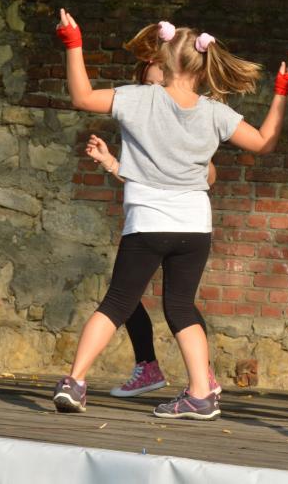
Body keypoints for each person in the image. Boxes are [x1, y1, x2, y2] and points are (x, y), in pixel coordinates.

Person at [50, 12, 288, 420]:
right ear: (201, 65)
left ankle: (74, 382)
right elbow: (264, 142)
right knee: (181, 306)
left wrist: (73, 43)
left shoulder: (138, 98)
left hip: (148, 222)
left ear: (164, 60)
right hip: (195, 227)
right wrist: (281, 91)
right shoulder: (215, 112)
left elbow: (82, 96)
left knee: (116, 302)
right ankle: (201, 393)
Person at [83, 57, 220, 400]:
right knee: (126, 295)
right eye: (147, 85)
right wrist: (110, 162)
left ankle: (203, 378)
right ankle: (150, 366)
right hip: (146, 218)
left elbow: (209, 176)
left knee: (178, 303)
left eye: (159, 84)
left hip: (182, 223)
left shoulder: (191, 116)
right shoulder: (141, 118)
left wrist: (188, 159)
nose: (154, 91)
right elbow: (139, 175)